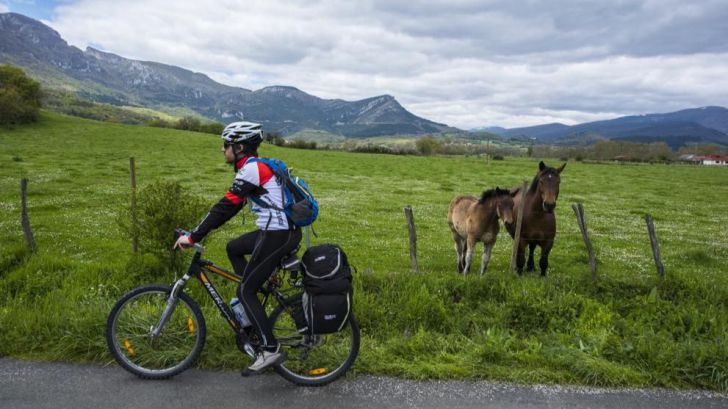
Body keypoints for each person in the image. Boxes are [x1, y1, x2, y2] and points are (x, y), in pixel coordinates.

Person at [174, 121, 302, 375]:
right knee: (233, 248)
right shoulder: (253, 168)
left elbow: (225, 207)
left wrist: (193, 237)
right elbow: (229, 210)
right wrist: (197, 231)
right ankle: (255, 296)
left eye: (226, 145)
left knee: (245, 291)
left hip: (278, 234)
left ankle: (270, 348)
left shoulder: (252, 170)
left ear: (240, 146)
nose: (223, 150)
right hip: (275, 231)